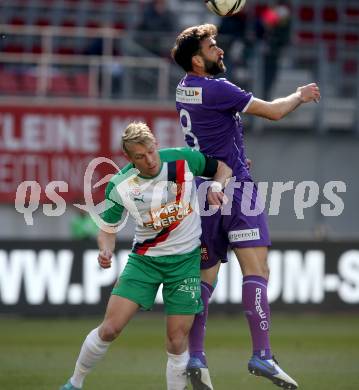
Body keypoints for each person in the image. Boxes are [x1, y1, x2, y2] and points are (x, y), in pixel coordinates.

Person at [171, 24, 320, 390]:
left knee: (205, 279)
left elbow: (211, 136)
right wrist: (299, 95)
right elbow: (272, 112)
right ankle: (263, 355)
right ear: (197, 60)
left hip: (202, 191)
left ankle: (196, 356)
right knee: (257, 270)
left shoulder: (183, 89)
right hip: (236, 190)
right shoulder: (218, 88)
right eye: (212, 47)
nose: (219, 51)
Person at [59, 121, 232, 390]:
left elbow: (222, 168)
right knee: (110, 329)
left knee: (176, 341)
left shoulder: (183, 160)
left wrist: (217, 187)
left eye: (151, 151)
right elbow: (107, 228)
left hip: (185, 262)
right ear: (128, 158)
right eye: (140, 156)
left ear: (156, 145)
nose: (149, 160)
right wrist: (105, 248)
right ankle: (75, 382)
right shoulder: (120, 185)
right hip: (144, 261)